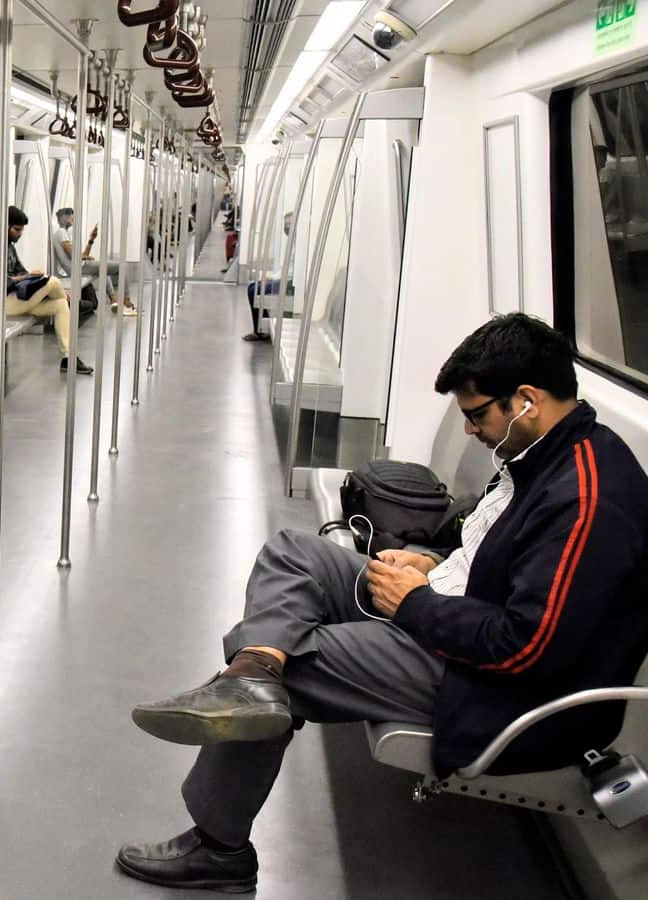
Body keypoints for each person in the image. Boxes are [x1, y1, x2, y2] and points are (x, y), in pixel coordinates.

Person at [115, 314, 648, 893]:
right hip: (455, 616)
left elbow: (526, 647)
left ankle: (220, 846)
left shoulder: (586, 498)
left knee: (294, 667)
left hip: (497, 689)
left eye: (475, 415)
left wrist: (414, 604)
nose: (470, 431)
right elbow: (495, 546)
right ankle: (254, 668)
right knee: (297, 553)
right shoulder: (538, 455)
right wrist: (433, 564)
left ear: (526, 400)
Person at [0, 205, 93, 374]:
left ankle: (68, 358)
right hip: (0, 303)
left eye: (21, 230)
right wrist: (27, 278)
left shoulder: (9, 246)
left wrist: (32, 277)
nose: (20, 234)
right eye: (17, 229)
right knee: (52, 282)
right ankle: (75, 303)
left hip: (17, 299)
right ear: (5, 226)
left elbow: (21, 272)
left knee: (60, 305)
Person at [52, 207, 135, 319]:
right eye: (71, 218)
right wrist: (85, 257)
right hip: (76, 268)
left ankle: (114, 299)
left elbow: (80, 256)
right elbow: (74, 255)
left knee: (103, 267)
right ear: (65, 218)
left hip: (79, 266)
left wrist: (91, 240)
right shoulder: (61, 232)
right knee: (121, 266)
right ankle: (126, 301)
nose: (73, 220)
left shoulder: (64, 233)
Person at [243, 213, 293, 342]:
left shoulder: (299, 246)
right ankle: (260, 328)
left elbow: (291, 272)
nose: (287, 228)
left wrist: (273, 277)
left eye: (289, 224)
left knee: (255, 290)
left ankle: (260, 330)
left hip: (288, 283)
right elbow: (284, 268)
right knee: (252, 287)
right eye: (285, 225)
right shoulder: (291, 243)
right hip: (282, 278)